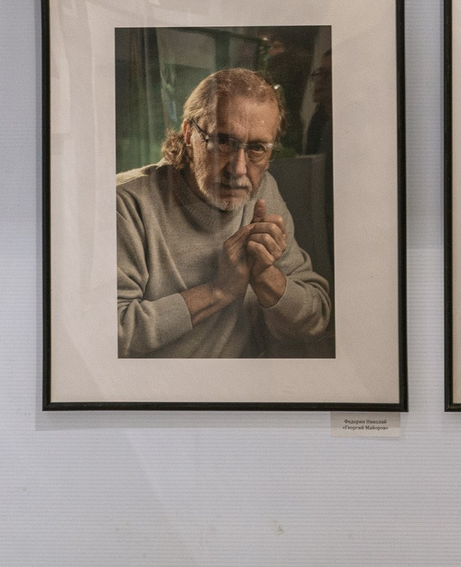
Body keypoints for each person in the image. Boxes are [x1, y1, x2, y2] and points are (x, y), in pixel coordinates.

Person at [115, 67, 333, 359]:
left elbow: (316, 319)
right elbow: (109, 335)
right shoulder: (126, 203)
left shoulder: (262, 190)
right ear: (189, 133)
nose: (239, 169)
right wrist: (218, 290)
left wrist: (265, 277)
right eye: (223, 142)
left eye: (257, 148)